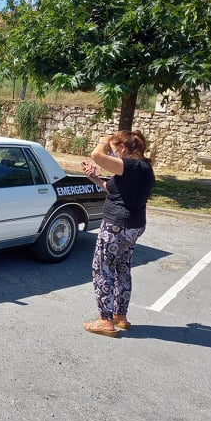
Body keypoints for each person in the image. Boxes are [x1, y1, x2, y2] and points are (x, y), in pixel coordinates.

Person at [81, 130, 155, 337]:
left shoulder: (130, 166)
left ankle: (104, 321)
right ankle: (119, 315)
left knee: (102, 269)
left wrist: (104, 141)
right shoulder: (143, 167)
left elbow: (96, 155)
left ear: (122, 148)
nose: (112, 154)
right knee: (122, 268)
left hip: (116, 226)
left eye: (114, 150)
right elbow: (116, 191)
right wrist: (95, 178)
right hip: (133, 226)